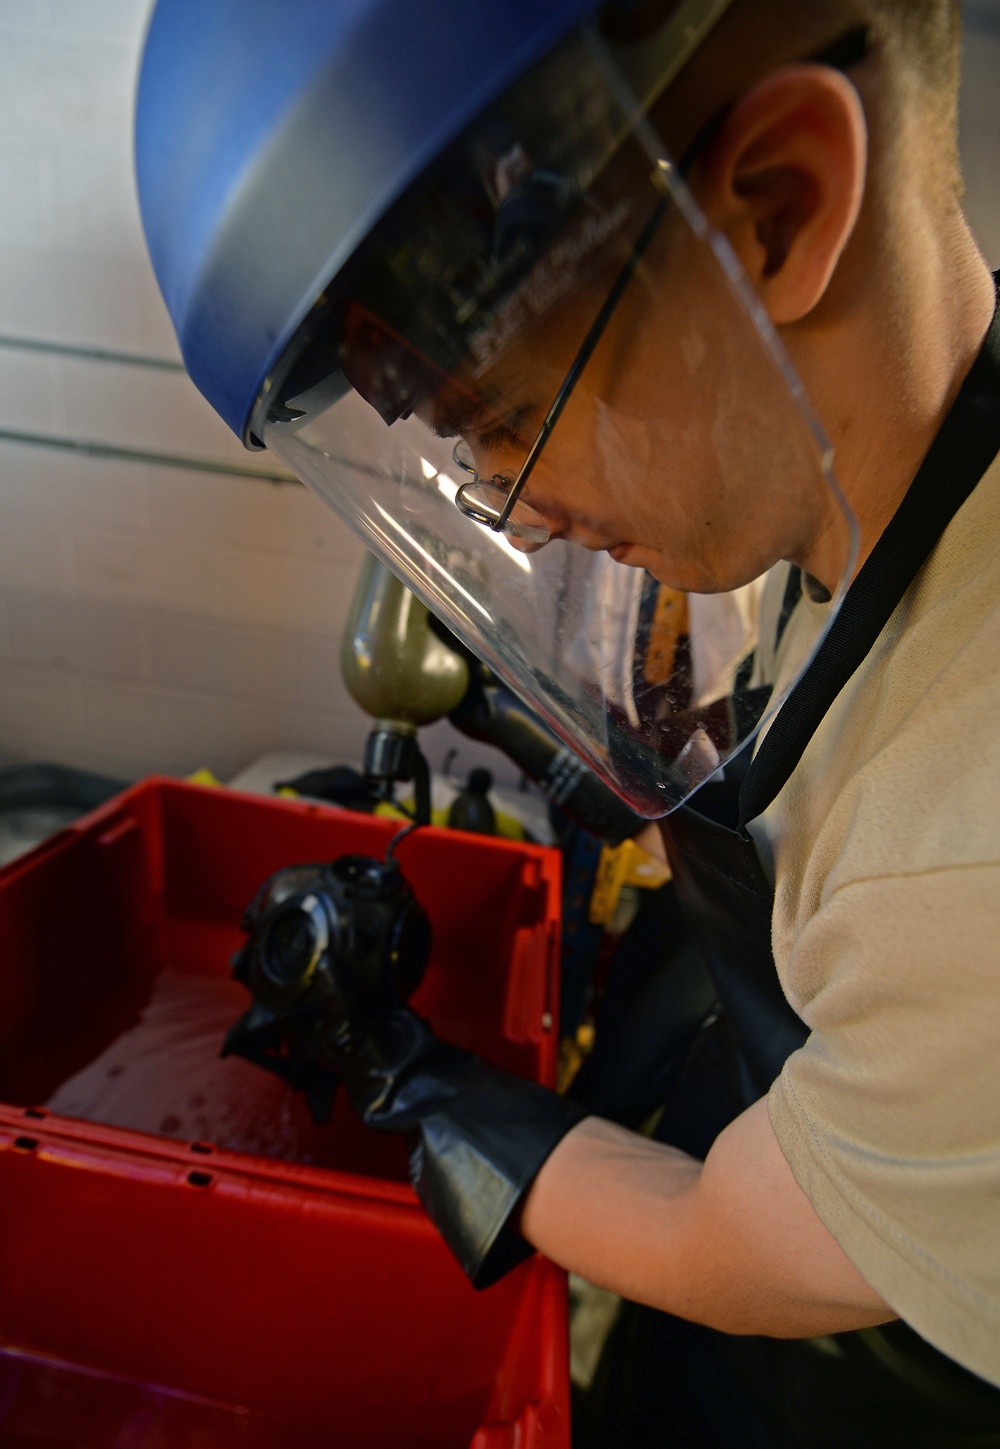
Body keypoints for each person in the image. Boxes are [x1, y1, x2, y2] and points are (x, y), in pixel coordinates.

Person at [135, 1, 1000, 1443]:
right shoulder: (873, 489)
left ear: (778, 208)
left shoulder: (966, 870)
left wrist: (412, 1080)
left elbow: (722, 1239)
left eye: (510, 418)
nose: (523, 508)